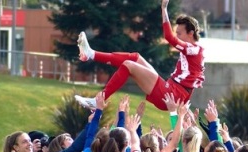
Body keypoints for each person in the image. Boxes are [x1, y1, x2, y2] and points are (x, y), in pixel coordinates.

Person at [74, 0, 204, 112]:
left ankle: (99, 100)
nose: (178, 37)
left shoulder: (194, 49)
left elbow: (168, 37)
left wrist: (164, 9)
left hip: (172, 95)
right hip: (171, 90)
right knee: (135, 57)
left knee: (128, 65)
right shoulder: (195, 50)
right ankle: (91, 54)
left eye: (180, 33)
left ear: (191, 33)